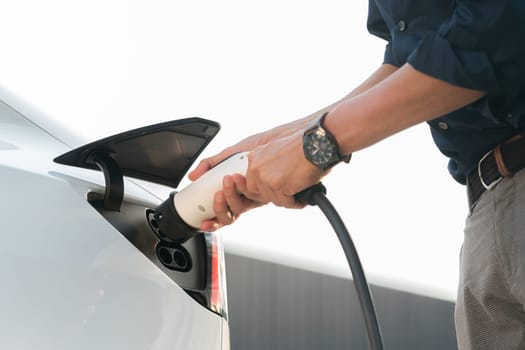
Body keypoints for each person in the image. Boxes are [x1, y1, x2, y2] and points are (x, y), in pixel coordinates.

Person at [188, 1, 525, 349]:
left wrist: (317, 145)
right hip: (487, 209)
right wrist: (270, 149)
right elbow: (410, 63)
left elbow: (495, 33)